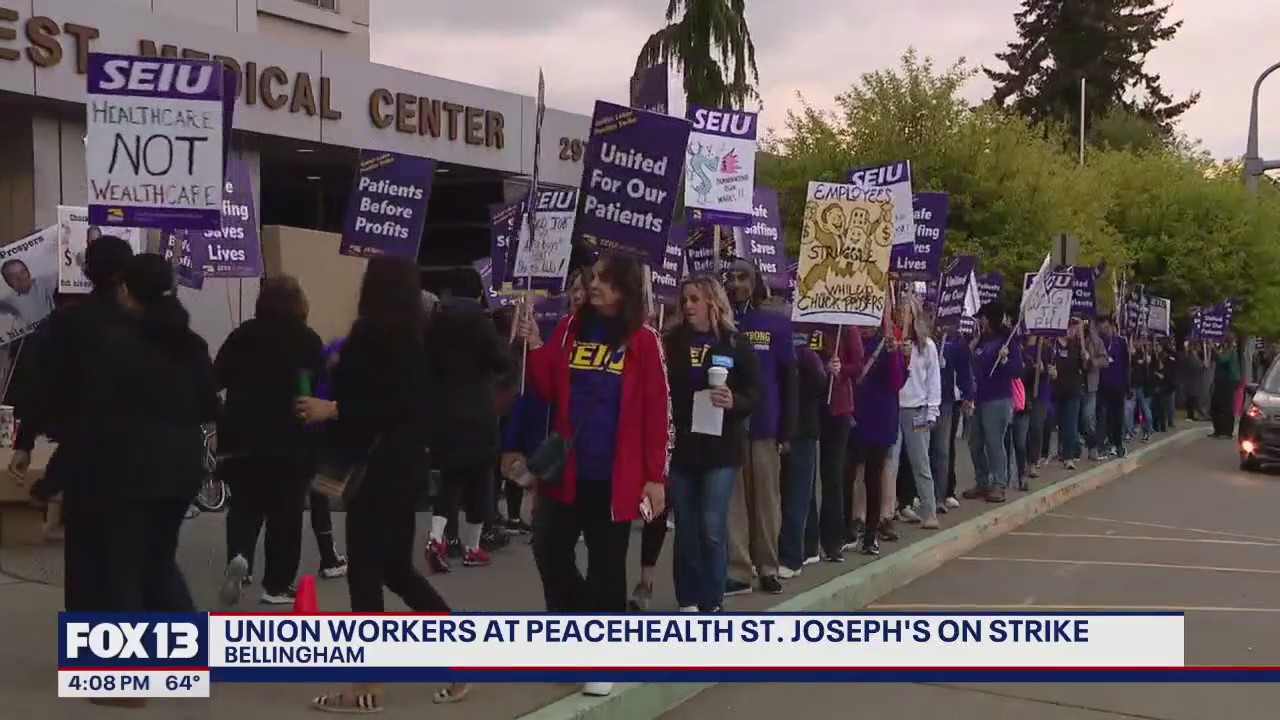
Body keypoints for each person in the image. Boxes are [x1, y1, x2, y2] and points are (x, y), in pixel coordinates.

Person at [303, 257, 467, 711]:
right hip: (406, 467)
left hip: (374, 470)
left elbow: (370, 406)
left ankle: (367, 686)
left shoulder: (369, 337)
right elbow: (408, 405)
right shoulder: (415, 340)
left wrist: (330, 408)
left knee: (365, 574)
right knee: (395, 568)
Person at [516, 253, 670, 699]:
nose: (593, 284)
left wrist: (654, 476)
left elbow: (657, 411)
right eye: (592, 278)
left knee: (606, 564)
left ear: (623, 290)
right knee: (548, 547)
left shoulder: (644, 340)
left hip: (615, 475)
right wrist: (534, 345)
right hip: (566, 470)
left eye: (604, 280)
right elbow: (546, 386)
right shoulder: (568, 328)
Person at [83, 254, 217, 707]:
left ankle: (126, 682)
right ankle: (192, 656)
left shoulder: (116, 345)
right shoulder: (193, 345)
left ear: (126, 291)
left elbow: (96, 413)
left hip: (128, 467)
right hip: (181, 466)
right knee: (159, 559)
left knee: (123, 566)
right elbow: (207, 407)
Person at [14, 236, 134, 612]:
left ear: (86, 271)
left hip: (82, 453)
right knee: (128, 553)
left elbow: (40, 384)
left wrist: (24, 441)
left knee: (83, 551)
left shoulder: (66, 324)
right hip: (135, 452)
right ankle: (128, 640)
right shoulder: (143, 324)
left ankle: (86, 642)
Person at [215, 276, 328, 606]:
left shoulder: (242, 336)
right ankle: (277, 585)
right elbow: (318, 389)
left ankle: (240, 559)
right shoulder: (308, 340)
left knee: (244, 506)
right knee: (286, 514)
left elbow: (215, 378)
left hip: (240, 438)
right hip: (290, 441)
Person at [664, 275, 759, 611]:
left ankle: (712, 599)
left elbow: (754, 392)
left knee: (711, 524)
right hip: (683, 447)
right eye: (685, 299)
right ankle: (688, 597)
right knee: (686, 526)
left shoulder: (734, 343)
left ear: (712, 302)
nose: (688, 305)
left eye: (695, 299)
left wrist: (735, 401)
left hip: (721, 448)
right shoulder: (670, 340)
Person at [722, 258, 796, 597]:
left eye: (743, 277)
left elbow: (789, 379)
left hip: (766, 425)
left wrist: (787, 430)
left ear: (755, 282)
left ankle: (767, 566)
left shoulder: (775, 323)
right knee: (733, 502)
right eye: (731, 277)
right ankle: (738, 569)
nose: (736, 283)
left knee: (766, 501)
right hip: (728, 425)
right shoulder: (720, 323)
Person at [424, 294, 511, 570]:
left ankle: (436, 537)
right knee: (480, 482)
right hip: (478, 414)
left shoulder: (436, 329)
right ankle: (472, 548)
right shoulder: (480, 326)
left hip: (445, 415)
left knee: (449, 481)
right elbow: (502, 363)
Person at [845, 324, 905, 556]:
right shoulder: (850, 338)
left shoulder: (887, 346)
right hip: (853, 416)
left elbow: (897, 381)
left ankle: (871, 534)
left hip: (880, 419)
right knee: (847, 475)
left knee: (873, 477)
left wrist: (892, 354)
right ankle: (849, 527)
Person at [805, 324, 862, 568]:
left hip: (838, 408)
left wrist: (841, 369)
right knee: (806, 476)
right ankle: (808, 541)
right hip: (809, 406)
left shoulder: (847, 327)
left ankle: (832, 540)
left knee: (832, 476)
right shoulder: (807, 324)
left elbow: (858, 364)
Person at [963, 302, 1022, 503]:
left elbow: (1017, 370)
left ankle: (999, 484)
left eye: (982, 318)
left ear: (989, 319)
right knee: (975, 443)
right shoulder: (980, 341)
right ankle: (982, 481)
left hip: (998, 399)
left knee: (994, 443)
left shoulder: (1007, 342)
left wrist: (1005, 361)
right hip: (978, 398)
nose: (980, 321)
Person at [893, 295, 942, 528]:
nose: (902, 315)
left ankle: (929, 510)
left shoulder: (927, 346)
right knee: (890, 464)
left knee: (921, 462)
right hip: (895, 409)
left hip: (918, 410)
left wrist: (932, 411)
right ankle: (889, 510)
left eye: (906, 311)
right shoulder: (892, 342)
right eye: (899, 311)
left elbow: (934, 380)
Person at [779, 326, 822, 578]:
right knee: (801, 494)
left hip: (803, 430)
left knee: (796, 494)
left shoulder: (806, 356)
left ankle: (793, 556)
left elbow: (819, 385)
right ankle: (808, 546)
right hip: (791, 429)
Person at [931, 327, 973, 511]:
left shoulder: (957, 341)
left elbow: (964, 369)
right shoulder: (923, 337)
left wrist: (968, 394)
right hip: (922, 402)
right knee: (922, 451)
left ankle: (941, 495)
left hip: (946, 401)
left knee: (943, 448)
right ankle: (917, 495)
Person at [1050, 319, 1086, 469]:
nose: (1070, 330)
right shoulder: (1052, 345)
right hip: (1056, 390)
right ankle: (1058, 451)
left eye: (1073, 327)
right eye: (1068, 326)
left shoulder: (1076, 346)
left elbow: (1084, 366)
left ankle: (1069, 456)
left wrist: (1085, 354)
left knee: (1071, 424)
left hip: (1073, 390)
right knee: (1057, 423)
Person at [1094, 315, 1130, 458]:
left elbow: (1126, 365)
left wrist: (1127, 386)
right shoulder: (1098, 342)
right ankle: (1104, 444)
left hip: (1118, 385)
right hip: (1102, 385)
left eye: (1105, 324)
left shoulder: (1120, 342)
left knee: (1118, 416)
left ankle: (1118, 443)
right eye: (1100, 325)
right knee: (1103, 416)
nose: (1103, 327)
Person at [1080, 318, 1110, 461]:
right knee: (1075, 421)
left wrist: (1091, 360)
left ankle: (1093, 448)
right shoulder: (1070, 339)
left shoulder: (1096, 341)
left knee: (1088, 418)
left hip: (1090, 385)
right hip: (1074, 385)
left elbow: (1105, 361)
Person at [0, 258, 56, 330]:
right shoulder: (9, 300)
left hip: (57, 326)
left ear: (28, 273)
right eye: (13, 276)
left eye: (22, 272)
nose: (20, 278)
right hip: (34, 336)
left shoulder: (43, 281)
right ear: (8, 282)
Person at [1210, 337, 1241, 438]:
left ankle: (1228, 431)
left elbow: (1223, 359)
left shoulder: (1231, 352)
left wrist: (1213, 348)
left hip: (1227, 383)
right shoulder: (1224, 350)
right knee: (1216, 407)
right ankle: (1218, 430)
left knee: (1226, 407)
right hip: (1219, 382)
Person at [1131, 340, 1155, 442]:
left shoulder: (1151, 357)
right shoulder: (1135, 355)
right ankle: (1136, 428)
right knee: (1135, 409)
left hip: (1146, 387)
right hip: (1137, 385)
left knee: (1146, 410)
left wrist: (1147, 362)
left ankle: (1147, 430)